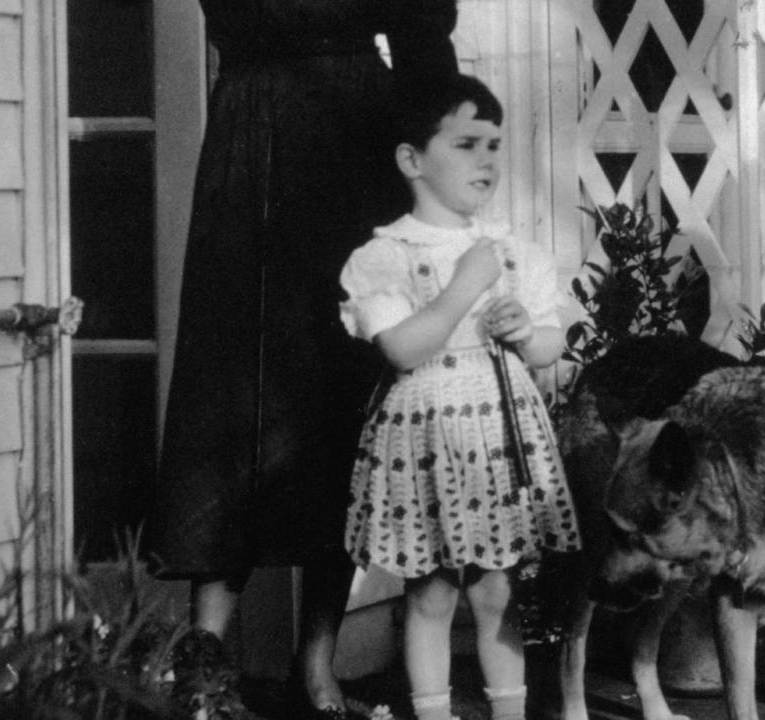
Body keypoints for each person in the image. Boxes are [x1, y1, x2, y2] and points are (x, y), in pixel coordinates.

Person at [147, 3, 458, 719]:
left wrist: (437, 173)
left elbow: (424, 42)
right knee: (229, 390)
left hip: (355, 144)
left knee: (343, 399)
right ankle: (205, 663)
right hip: (250, 140)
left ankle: (315, 663)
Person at [338, 74, 581, 720]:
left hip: (497, 437)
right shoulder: (386, 254)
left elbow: (551, 342)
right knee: (432, 593)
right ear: (413, 160)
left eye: (496, 145)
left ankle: (509, 713)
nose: (487, 160)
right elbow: (404, 349)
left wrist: (528, 332)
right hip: (428, 441)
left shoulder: (510, 249)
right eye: (468, 143)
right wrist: (464, 288)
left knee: (498, 591)